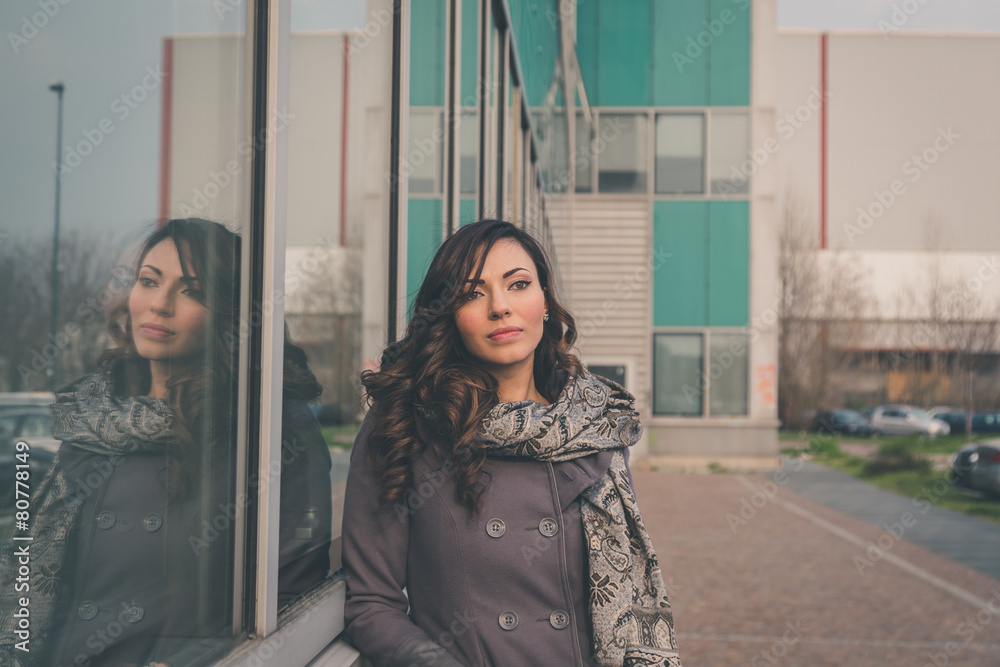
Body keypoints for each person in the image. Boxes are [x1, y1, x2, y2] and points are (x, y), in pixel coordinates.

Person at [342, 219, 681, 667]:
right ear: (450, 316)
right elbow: (371, 603)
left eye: (518, 284)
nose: (500, 307)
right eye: (472, 293)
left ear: (545, 301)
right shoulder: (406, 425)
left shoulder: (595, 426)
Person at [0, 218, 333, 666]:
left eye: (191, 291)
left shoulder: (265, 430)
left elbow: (292, 589)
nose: (158, 304)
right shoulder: (91, 417)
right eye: (148, 281)